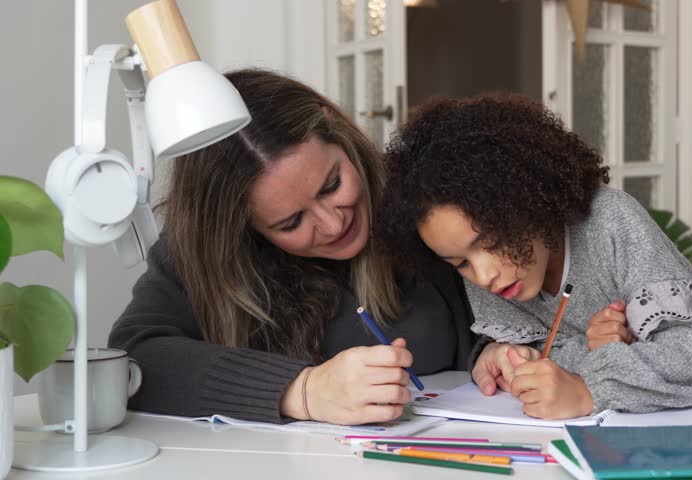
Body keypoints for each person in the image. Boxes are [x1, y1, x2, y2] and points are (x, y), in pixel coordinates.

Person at [108, 69, 476, 426]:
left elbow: (509, 310)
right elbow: (134, 360)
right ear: (243, 230)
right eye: (291, 223)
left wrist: (493, 354)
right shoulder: (198, 251)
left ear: (335, 130)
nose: (334, 224)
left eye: (331, 185)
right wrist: (302, 391)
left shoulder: (424, 199)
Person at [373, 93, 692, 420]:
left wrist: (587, 389)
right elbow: (554, 353)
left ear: (530, 199)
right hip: (653, 414)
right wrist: (507, 356)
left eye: (491, 239)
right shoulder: (494, 278)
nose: (483, 274)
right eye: (459, 263)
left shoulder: (614, 222)